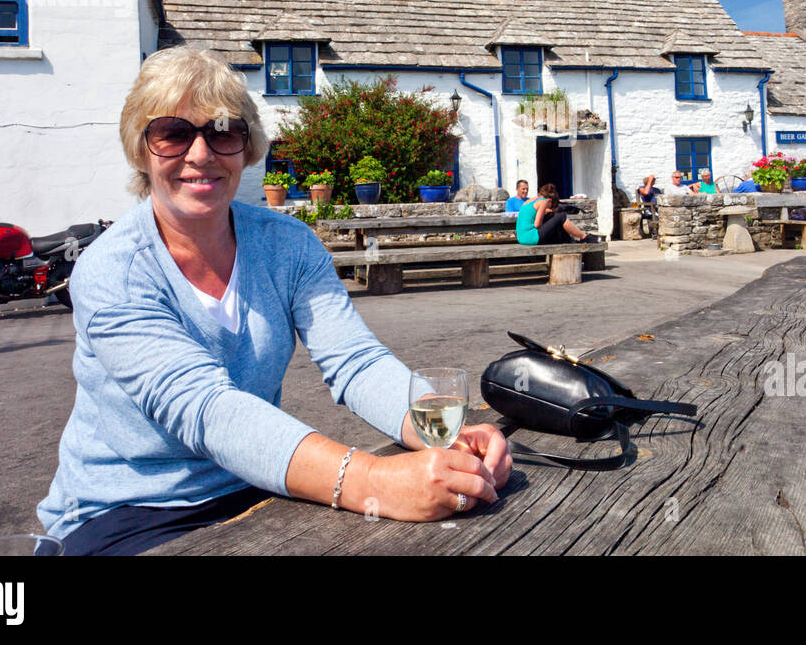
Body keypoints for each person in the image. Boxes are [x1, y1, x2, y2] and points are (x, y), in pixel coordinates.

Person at [36, 47, 511, 554]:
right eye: (172, 133)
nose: (201, 153)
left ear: (247, 146)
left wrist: (440, 433)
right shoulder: (114, 270)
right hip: (130, 510)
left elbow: (354, 361)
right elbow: (204, 409)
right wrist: (377, 480)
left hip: (254, 482)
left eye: (223, 131)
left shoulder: (287, 244)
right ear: (141, 149)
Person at [517, 182, 599, 244]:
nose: (549, 208)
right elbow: (537, 224)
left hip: (521, 238)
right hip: (531, 237)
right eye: (551, 206)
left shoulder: (528, 201)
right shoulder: (544, 201)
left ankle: (570, 240)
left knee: (553, 217)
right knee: (561, 216)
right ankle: (584, 237)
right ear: (549, 200)